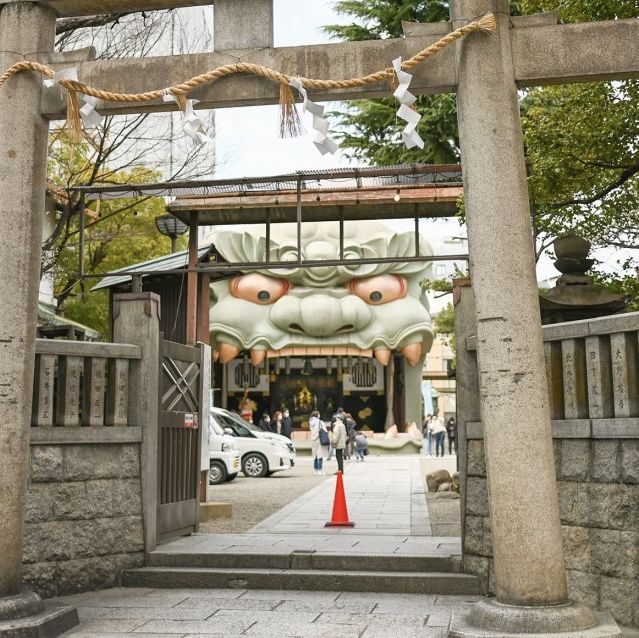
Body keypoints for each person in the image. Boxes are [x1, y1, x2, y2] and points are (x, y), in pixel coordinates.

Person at [309, 410, 328, 475]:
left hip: (313, 440)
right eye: (319, 414)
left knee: (315, 456)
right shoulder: (320, 422)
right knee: (320, 455)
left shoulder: (311, 422)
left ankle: (315, 470)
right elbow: (325, 430)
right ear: (317, 415)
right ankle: (320, 470)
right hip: (319, 439)